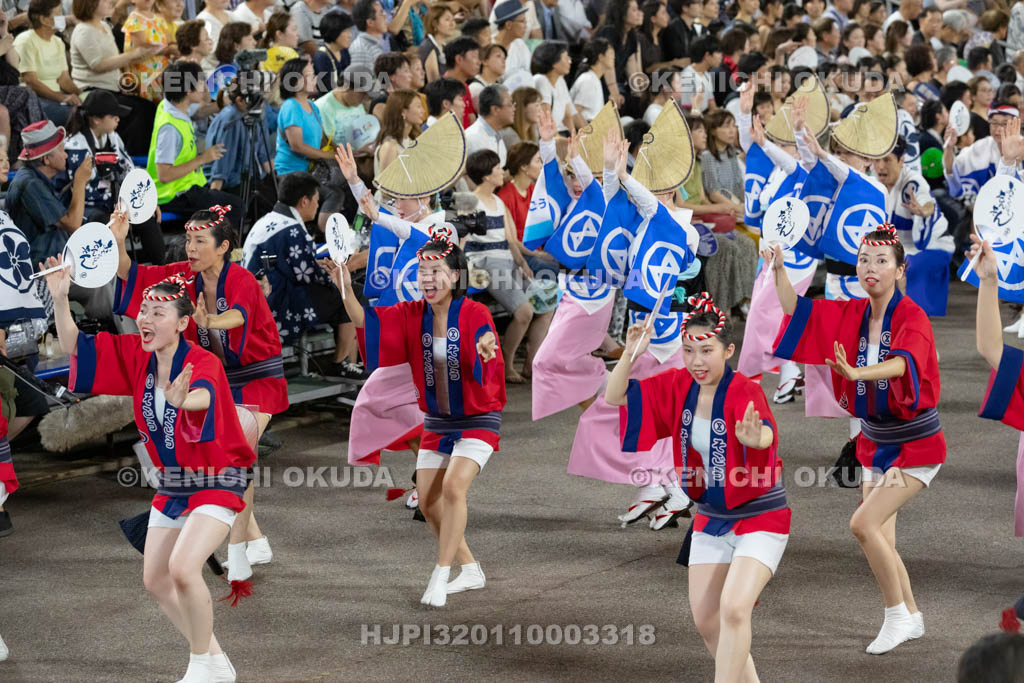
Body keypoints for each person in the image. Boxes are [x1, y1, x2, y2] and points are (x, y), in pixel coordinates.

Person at [44, 248, 251, 683]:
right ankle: (214, 659)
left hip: (217, 478)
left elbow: (206, 398)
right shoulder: (136, 356)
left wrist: (183, 399)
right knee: (156, 580)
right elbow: (75, 348)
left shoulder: (202, 362)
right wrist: (61, 300)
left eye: (157, 312)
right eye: (143, 309)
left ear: (181, 323)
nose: (145, 318)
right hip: (173, 483)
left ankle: (199, 666)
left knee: (182, 568)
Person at [769, 224, 943, 654]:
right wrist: (778, 272)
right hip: (873, 442)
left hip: (915, 445)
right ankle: (913, 616)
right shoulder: (851, 314)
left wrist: (859, 373)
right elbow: (797, 310)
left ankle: (895, 617)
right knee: (883, 537)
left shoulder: (911, 317)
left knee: (862, 525)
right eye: (864, 260)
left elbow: (905, 367)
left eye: (882, 261)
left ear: (900, 270)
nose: (871, 268)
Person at [322, 226, 506, 609]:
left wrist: (486, 348)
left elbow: (486, 343)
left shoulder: (475, 313)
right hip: (437, 421)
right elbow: (366, 322)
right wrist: (344, 285)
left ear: (455, 276)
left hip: (477, 418)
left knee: (454, 489)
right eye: (422, 272)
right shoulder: (410, 314)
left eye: (436, 271)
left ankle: (440, 574)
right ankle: (469, 568)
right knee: (427, 501)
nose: (428, 279)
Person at [608, 294, 788, 682]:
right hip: (711, 518)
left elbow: (767, 433)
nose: (696, 361)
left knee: (735, 609)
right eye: (688, 350)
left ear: (728, 351)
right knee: (708, 623)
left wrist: (758, 441)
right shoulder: (678, 386)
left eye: (706, 351)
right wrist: (629, 353)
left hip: (760, 516)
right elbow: (615, 396)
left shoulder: (745, 391)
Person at [110, 204, 288, 589]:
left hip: (257, 377)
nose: (190, 248)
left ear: (223, 246)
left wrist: (210, 321)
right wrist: (120, 242)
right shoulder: (181, 279)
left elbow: (239, 316)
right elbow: (131, 274)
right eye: (188, 239)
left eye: (199, 241)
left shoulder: (240, 277)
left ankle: (238, 552)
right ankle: (255, 539)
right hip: (214, 380)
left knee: (239, 447)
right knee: (227, 455)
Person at [241, 171, 364, 380]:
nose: (318, 206)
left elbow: (291, 265)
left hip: (264, 293)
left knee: (341, 290)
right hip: (276, 301)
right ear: (304, 201)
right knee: (350, 293)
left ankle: (343, 361)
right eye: (316, 201)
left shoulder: (271, 220)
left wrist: (318, 265)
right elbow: (307, 275)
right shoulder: (291, 230)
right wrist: (338, 275)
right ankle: (341, 363)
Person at [64, 91, 165, 266]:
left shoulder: (113, 137)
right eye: (113, 115)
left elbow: (128, 169)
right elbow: (84, 189)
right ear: (96, 119)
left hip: (115, 202)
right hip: (88, 207)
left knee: (147, 217)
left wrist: (145, 200)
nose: (118, 119)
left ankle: (162, 270)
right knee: (107, 223)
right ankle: (117, 278)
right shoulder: (75, 145)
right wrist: (120, 202)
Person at [463, 148, 537, 383]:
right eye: (497, 169)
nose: (502, 172)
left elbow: (508, 239)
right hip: (487, 264)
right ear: (486, 175)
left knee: (546, 302)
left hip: (506, 261)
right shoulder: (469, 201)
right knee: (524, 311)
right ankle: (506, 359)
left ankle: (532, 361)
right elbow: (461, 242)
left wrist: (523, 263)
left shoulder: (497, 201)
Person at [147, 61, 242, 230]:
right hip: (174, 195)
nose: (205, 87)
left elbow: (199, 111)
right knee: (235, 207)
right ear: (188, 91)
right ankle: (224, 253)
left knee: (234, 192)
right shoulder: (169, 128)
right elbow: (164, 175)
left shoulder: (170, 105)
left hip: (188, 187)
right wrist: (202, 159)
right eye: (200, 83)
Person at [70, 0, 160, 155]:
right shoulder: (83, 30)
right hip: (93, 91)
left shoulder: (104, 26)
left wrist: (141, 55)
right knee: (139, 112)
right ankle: (133, 157)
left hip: (112, 89)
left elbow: (116, 60)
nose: (110, 2)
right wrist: (133, 54)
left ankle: (142, 156)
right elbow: (98, 65)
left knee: (150, 106)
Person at [7, 121, 94, 271]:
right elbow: (73, 224)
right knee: (99, 284)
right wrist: (80, 181)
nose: (66, 155)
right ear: (46, 159)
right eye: (62, 150)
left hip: (55, 261)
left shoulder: (36, 178)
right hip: (40, 269)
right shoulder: (30, 183)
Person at [15, 0, 82, 126]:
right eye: (59, 13)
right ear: (44, 20)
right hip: (34, 100)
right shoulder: (25, 40)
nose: (63, 17)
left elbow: (64, 80)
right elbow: (31, 82)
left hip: (56, 98)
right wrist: (62, 98)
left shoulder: (58, 42)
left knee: (92, 108)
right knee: (78, 116)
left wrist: (82, 95)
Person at [205, 79, 272, 195]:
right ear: (240, 100)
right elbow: (221, 166)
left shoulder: (256, 114)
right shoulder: (231, 120)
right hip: (233, 183)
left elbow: (264, 155)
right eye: (256, 100)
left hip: (252, 177)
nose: (261, 104)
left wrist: (276, 180)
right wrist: (214, 201)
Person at [274, 57, 334, 176]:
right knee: (333, 194)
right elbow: (297, 146)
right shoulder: (291, 106)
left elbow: (322, 137)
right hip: (292, 173)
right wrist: (330, 156)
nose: (315, 79)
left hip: (311, 169)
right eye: (310, 75)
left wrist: (343, 152)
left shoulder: (312, 105)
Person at [121, 0, 174, 101]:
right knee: (151, 106)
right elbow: (141, 48)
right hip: (145, 73)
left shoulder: (159, 19)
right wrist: (168, 50)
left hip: (161, 70)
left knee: (164, 103)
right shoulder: (134, 19)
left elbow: (168, 41)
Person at [531, 41, 585, 133]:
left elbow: (567, 116)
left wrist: (574, 137)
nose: (570, 61)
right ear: (554, 62)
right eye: (566, 57)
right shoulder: (541, 80)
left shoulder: (560, 81)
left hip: (560, 133)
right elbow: (546, 119)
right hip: (548, 135)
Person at [373, 88, 424, 184]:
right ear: (403, 112)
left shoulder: (412, 140)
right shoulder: (389, 146)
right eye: (418, 106)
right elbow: (386, 189)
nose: (423, 111)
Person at [465, 84, 513, 168]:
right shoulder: (474, 138)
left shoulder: (497, 134)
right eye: (509, 105)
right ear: (495, 109)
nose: (514, 109)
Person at [569, 37, 614, 121]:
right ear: (600, 57)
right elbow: (576, 112)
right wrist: (589, 133)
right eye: (611, 54)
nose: (613, 58)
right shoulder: (589, 80)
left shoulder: (594, 78)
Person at [443, 36, 481, 129]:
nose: (479, 62)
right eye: (474, 57)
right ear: (459, 59)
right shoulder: (441, 90)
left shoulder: (465, 87)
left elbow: (471, 120)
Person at [311, 10, 353, 94]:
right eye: (346, 31)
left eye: (350, 31)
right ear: (334, 31)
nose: (350, 35)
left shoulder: (344, 51)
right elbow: (328, 90)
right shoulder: (322, 57)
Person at [418, 3, 455, 83]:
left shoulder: (445, 47)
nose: (452, 24)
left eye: (453, 20)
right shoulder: (428, 46)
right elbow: (434, 84)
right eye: (447, 20)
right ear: (434, 23)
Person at [348, 0, 388, 71]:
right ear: (370, 22)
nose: (385, 16)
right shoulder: (360, 49)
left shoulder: (375, 44)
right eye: (381, 13)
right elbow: (361, 80)